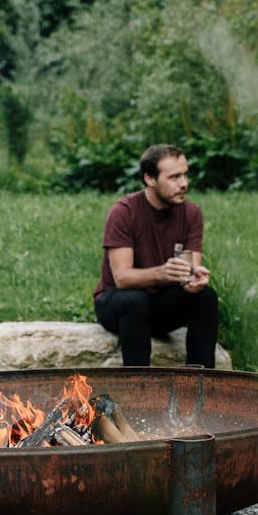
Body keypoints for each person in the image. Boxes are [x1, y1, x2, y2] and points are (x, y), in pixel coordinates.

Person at [93, 144, 220, 367]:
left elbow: (188, 276)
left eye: (185, 175)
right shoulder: (124, 212)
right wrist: (162, 273)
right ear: (150, 179)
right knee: (135, 300)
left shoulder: (191, 213)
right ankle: (138, 385)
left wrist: (195, 280)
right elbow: (122, 279)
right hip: (118, 305)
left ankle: (200, 384)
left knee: (205, 297)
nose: (184, 184)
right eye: (174, 177)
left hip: (159, 307)